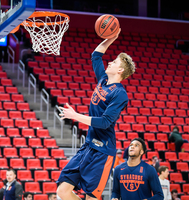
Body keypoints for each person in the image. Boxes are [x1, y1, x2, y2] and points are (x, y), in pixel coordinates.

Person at [57, 28, 136, 200]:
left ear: (120, 70)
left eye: (114, 62)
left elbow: (105, 122)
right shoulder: (103, 80)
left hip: (103, 151)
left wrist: (75, 116)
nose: (109, 63)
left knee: (91, 197)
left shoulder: (120, 94)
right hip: (88, 146)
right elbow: (96, 56)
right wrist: (110, 39)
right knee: (62, 191)